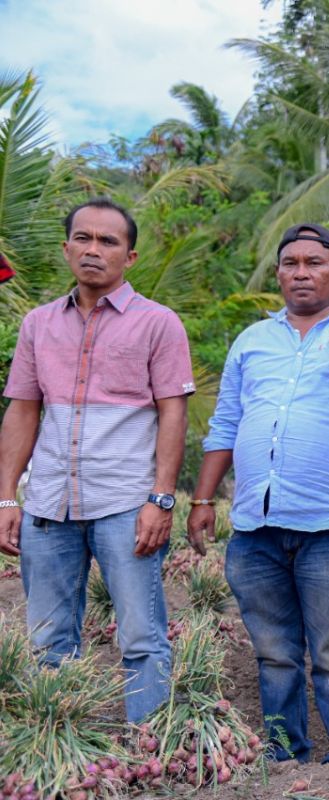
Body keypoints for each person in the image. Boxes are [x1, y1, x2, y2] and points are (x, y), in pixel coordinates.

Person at [186, 223, 329, 763]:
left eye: (314, 262)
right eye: (290, 263)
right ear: (279, 273)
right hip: (255, 529)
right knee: (273, 652)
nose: (301, 272)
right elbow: (226, 424)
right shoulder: (252, 341)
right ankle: (285, 752)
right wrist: (201, 500)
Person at [0, 198, 192, 721]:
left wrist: (161, 498)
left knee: (140, 634)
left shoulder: (158, 323)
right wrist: (6, 496)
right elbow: (22, 411)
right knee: (48, 636)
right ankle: (60, 741)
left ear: (129, 257)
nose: (93, 249)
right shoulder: (39, 325)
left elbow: (173, 416)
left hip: (125, 503)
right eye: (83, 238)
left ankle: (146, 744)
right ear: (66, 249)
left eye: (108, 241)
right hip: (47, 504)